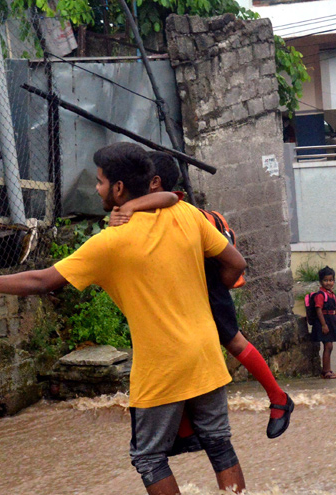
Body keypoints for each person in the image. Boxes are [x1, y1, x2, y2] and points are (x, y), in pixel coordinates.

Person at [0, 142, 249, 495]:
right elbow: (236, 265)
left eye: (101, 181)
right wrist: (210, 289)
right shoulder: (187, 215)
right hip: (207, 353)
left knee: (148, 457)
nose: (97, 187)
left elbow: (43, 281)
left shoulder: (110, 243)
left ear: (120, 189)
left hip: (162, 365)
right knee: (219, 445)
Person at [108, 151, 293, 440]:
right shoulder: (156, 210)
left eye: (142, 176)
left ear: (154, 182)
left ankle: (278, 398)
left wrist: (217, 288)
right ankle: (188, 429)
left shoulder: (174, 208)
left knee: (232, 341)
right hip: (189, 291)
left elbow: (235, 263)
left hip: (205, 287)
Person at [304, 266, 336, 378]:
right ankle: (326, 371)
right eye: (325, 280)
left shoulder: (332, 295)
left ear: (334, 281)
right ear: (321, 282)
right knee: (328, 346)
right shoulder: (321, 295)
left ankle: (327, 370)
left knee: (329, 346)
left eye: (330, 280)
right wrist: (324, 325)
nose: (328, 283)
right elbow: (318, 309)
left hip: (331, 323)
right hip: (324, 323)